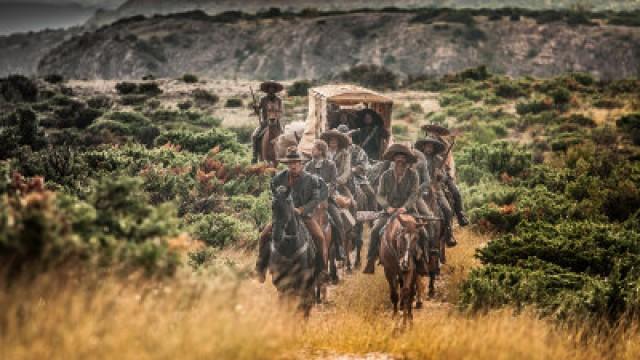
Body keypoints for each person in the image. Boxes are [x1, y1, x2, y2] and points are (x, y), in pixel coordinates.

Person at [255, 146, 325, 283]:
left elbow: (316, 199)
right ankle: (260, 268)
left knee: (319, 237)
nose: (293, 166)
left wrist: (302, 210)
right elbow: (275, 197)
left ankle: (321, 270)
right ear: (287, 164)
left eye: (296, 163)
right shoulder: (277, 179)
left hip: (304, 216)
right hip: (283, 216)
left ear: (301, 164)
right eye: (290, 163)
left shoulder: (311, 180)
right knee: (264, 235)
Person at [363, 144, 420, 274]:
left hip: (408, 211)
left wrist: (405, 207)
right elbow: (380, 195)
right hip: (389, 212)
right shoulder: (385, 175)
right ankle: (371, 260)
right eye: (397, 158)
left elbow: (414, 194)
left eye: (403, 158)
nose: (400, 161)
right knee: (375, 230)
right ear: (393, 160)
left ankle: (423, 261)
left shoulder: (413, 175)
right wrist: (387, 207)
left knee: (424, 233)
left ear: (406, 161)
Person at [304, 139, 347, 263]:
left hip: (328, 198)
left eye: (314, 149)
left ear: (321, 151)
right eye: (313, 149)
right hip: (311, 200)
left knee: (338, 220)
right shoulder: (308, 165)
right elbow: (305, 183)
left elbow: (334, 183)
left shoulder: (331, 165)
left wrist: (325, 194)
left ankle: (340, 248)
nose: (312, 151)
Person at [421, 125, 469, 226]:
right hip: (423, 182)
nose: (433, 133)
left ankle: (460, 215)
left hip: (442, 174)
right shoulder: (422, 146)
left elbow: (450, 163)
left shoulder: (445, 146)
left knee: (455, 192)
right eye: (431, 131)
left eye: (436, 132)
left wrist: (443, 174)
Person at [251, 81, 284, 164]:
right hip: (265, 122)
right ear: (267, 89)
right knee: (254, 136)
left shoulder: (279, 100)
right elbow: (258, 110)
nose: (271, 89)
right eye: (270, 88)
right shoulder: (263, 99)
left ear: (275, 90)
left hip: (276, 122)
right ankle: (254, 156)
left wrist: (277, 117)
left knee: (284, 136)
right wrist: (256, 108)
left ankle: (284, 155)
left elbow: (281, 111)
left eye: (273, 88)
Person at [321, 127, 353, 201]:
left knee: (353, 204)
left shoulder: (345, 154)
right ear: (328, 141)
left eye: (335, 140)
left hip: (339, 184)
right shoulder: (323, 153)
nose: (333, 141)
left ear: (339, 141)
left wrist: (337, 181)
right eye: (331, 139)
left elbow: (347, 171)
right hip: (324, 184)